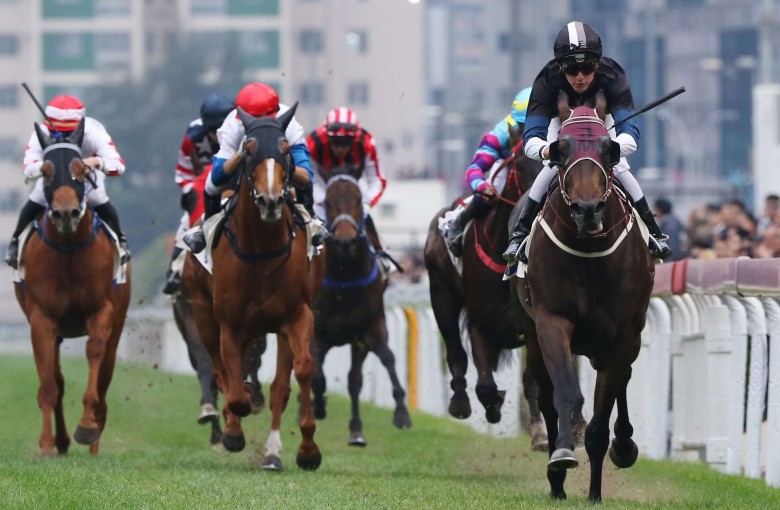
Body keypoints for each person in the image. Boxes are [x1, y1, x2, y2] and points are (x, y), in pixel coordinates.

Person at [502, 21, 671, 263]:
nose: (580, 77)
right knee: (551, 169)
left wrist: (613, 148)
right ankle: (520, 236)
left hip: (603, 124)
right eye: (571, 69)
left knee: (620, 167)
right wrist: (548, 151)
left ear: (597, 64)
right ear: (560, 66)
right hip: (559, 125)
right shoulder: (546, 81)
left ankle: (653, 233)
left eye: (587, 68)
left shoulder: (613, 76)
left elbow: (630, 133)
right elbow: (531, 140)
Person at [182, 82, 321, 253]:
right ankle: (207, 228)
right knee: (210, 185)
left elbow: (306, 176)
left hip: (281, 170)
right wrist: (240, 155)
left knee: (304, 183)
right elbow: (217, 176)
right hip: (244, 169)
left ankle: (311, 221)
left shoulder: (290, 124)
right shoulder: (233, 125)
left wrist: (287, 164)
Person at [4, 94, 129, 269]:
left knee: (98, 198)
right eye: (60, 133)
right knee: (37, 198)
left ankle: (121, 241)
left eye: (69, 133)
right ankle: (15, 242)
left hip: (83, 174)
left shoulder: (93, 132)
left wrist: (94, 162)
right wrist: (44, 168)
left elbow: (118, 165)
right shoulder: (41, 134)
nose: (64, 137)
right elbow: (29, 168)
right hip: (54, 176)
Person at [444, 87, 532, 257]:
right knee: (492, 192)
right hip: (509, 165)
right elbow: (474, 169)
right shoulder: (500, 134)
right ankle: (459, 222)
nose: (525, 133)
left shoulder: (553, 129)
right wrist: (482, 186)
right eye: (521, 127)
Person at [162, 92, 234, 295]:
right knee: (186, 223)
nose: (217, 134)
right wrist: (191, 189)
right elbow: (182, 172)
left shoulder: (239, 132)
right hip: (202, 188)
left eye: (220, 129)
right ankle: (175, 269)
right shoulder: (192, 138)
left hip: (232, 186)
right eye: (212, 130)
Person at [306, 107, 388, 257]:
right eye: (335, 142)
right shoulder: (313, 143)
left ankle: (380, 254)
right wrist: (323, 200)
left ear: (355, 138)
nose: (341, 148)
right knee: (314, 217)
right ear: (327, 136)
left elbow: (377, 180)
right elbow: (311, 177)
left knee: (365, 217)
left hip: (355, 185)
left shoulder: (367, 143)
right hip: (323, 186)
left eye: (346, 142)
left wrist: (366, 203)